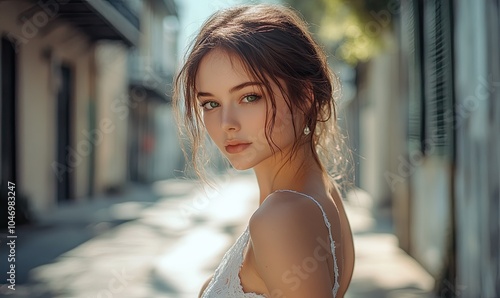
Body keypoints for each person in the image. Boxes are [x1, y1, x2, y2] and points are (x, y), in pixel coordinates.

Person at [173, 4, 354, 297]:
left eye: (249, 97)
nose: (226, 124)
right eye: (211, 103)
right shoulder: (321, 191)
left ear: (305, 96)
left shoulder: (282, 217)